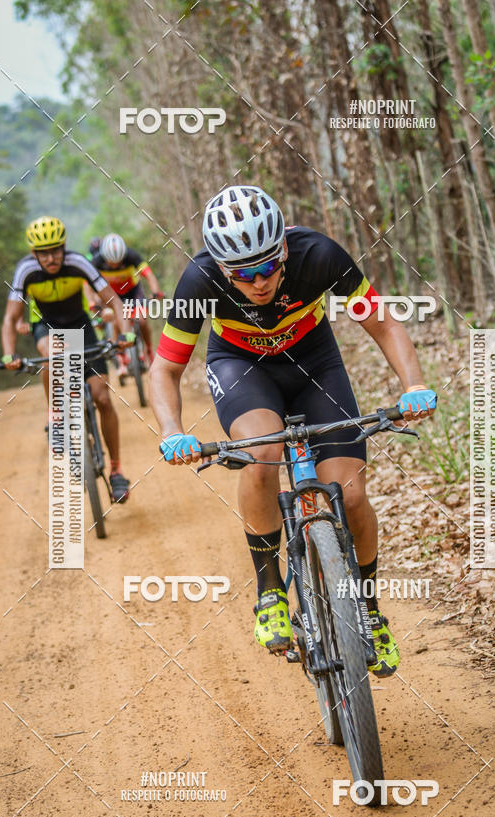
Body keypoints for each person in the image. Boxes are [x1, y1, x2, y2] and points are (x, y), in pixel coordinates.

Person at [149, 186, 437, 675]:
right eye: (244, 273)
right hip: (243, 367)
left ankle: (368, 612)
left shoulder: (319, 255)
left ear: (284, 249)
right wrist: (173, 430)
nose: (260, 282)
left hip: (314, 362)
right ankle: (269, 594)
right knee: (261, 451)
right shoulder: (199, 282)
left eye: (268, 266)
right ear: (222, 269)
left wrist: (414, 386)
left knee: (350, 492)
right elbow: (164, 371)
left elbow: (385, 324)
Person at [0, 215, 133, 503]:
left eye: (56, 250)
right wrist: (9, 353)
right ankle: (57, 419)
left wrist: (125, 335)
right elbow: (11, 318)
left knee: (103, 399)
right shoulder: (25, 270)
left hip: (82, 327)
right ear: (34, 253)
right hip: (47, 327)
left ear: (64, 247)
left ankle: (117, 470)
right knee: (51, 354)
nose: (51, 258)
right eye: (44, 253)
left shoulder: (78, 263)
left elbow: (113, 300)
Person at [92, 233, 162, 367]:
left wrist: (156, 292)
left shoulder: (132, 256)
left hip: (133, 292)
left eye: (118, 262)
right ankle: (121, 354)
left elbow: (149, 275)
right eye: (111, 263)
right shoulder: (97, 261)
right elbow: (88, 284)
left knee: (141, 320)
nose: (115, 266)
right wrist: (94, 303)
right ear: (104, 257)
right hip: (112, 295)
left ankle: (149, 349)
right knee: (115, 319)